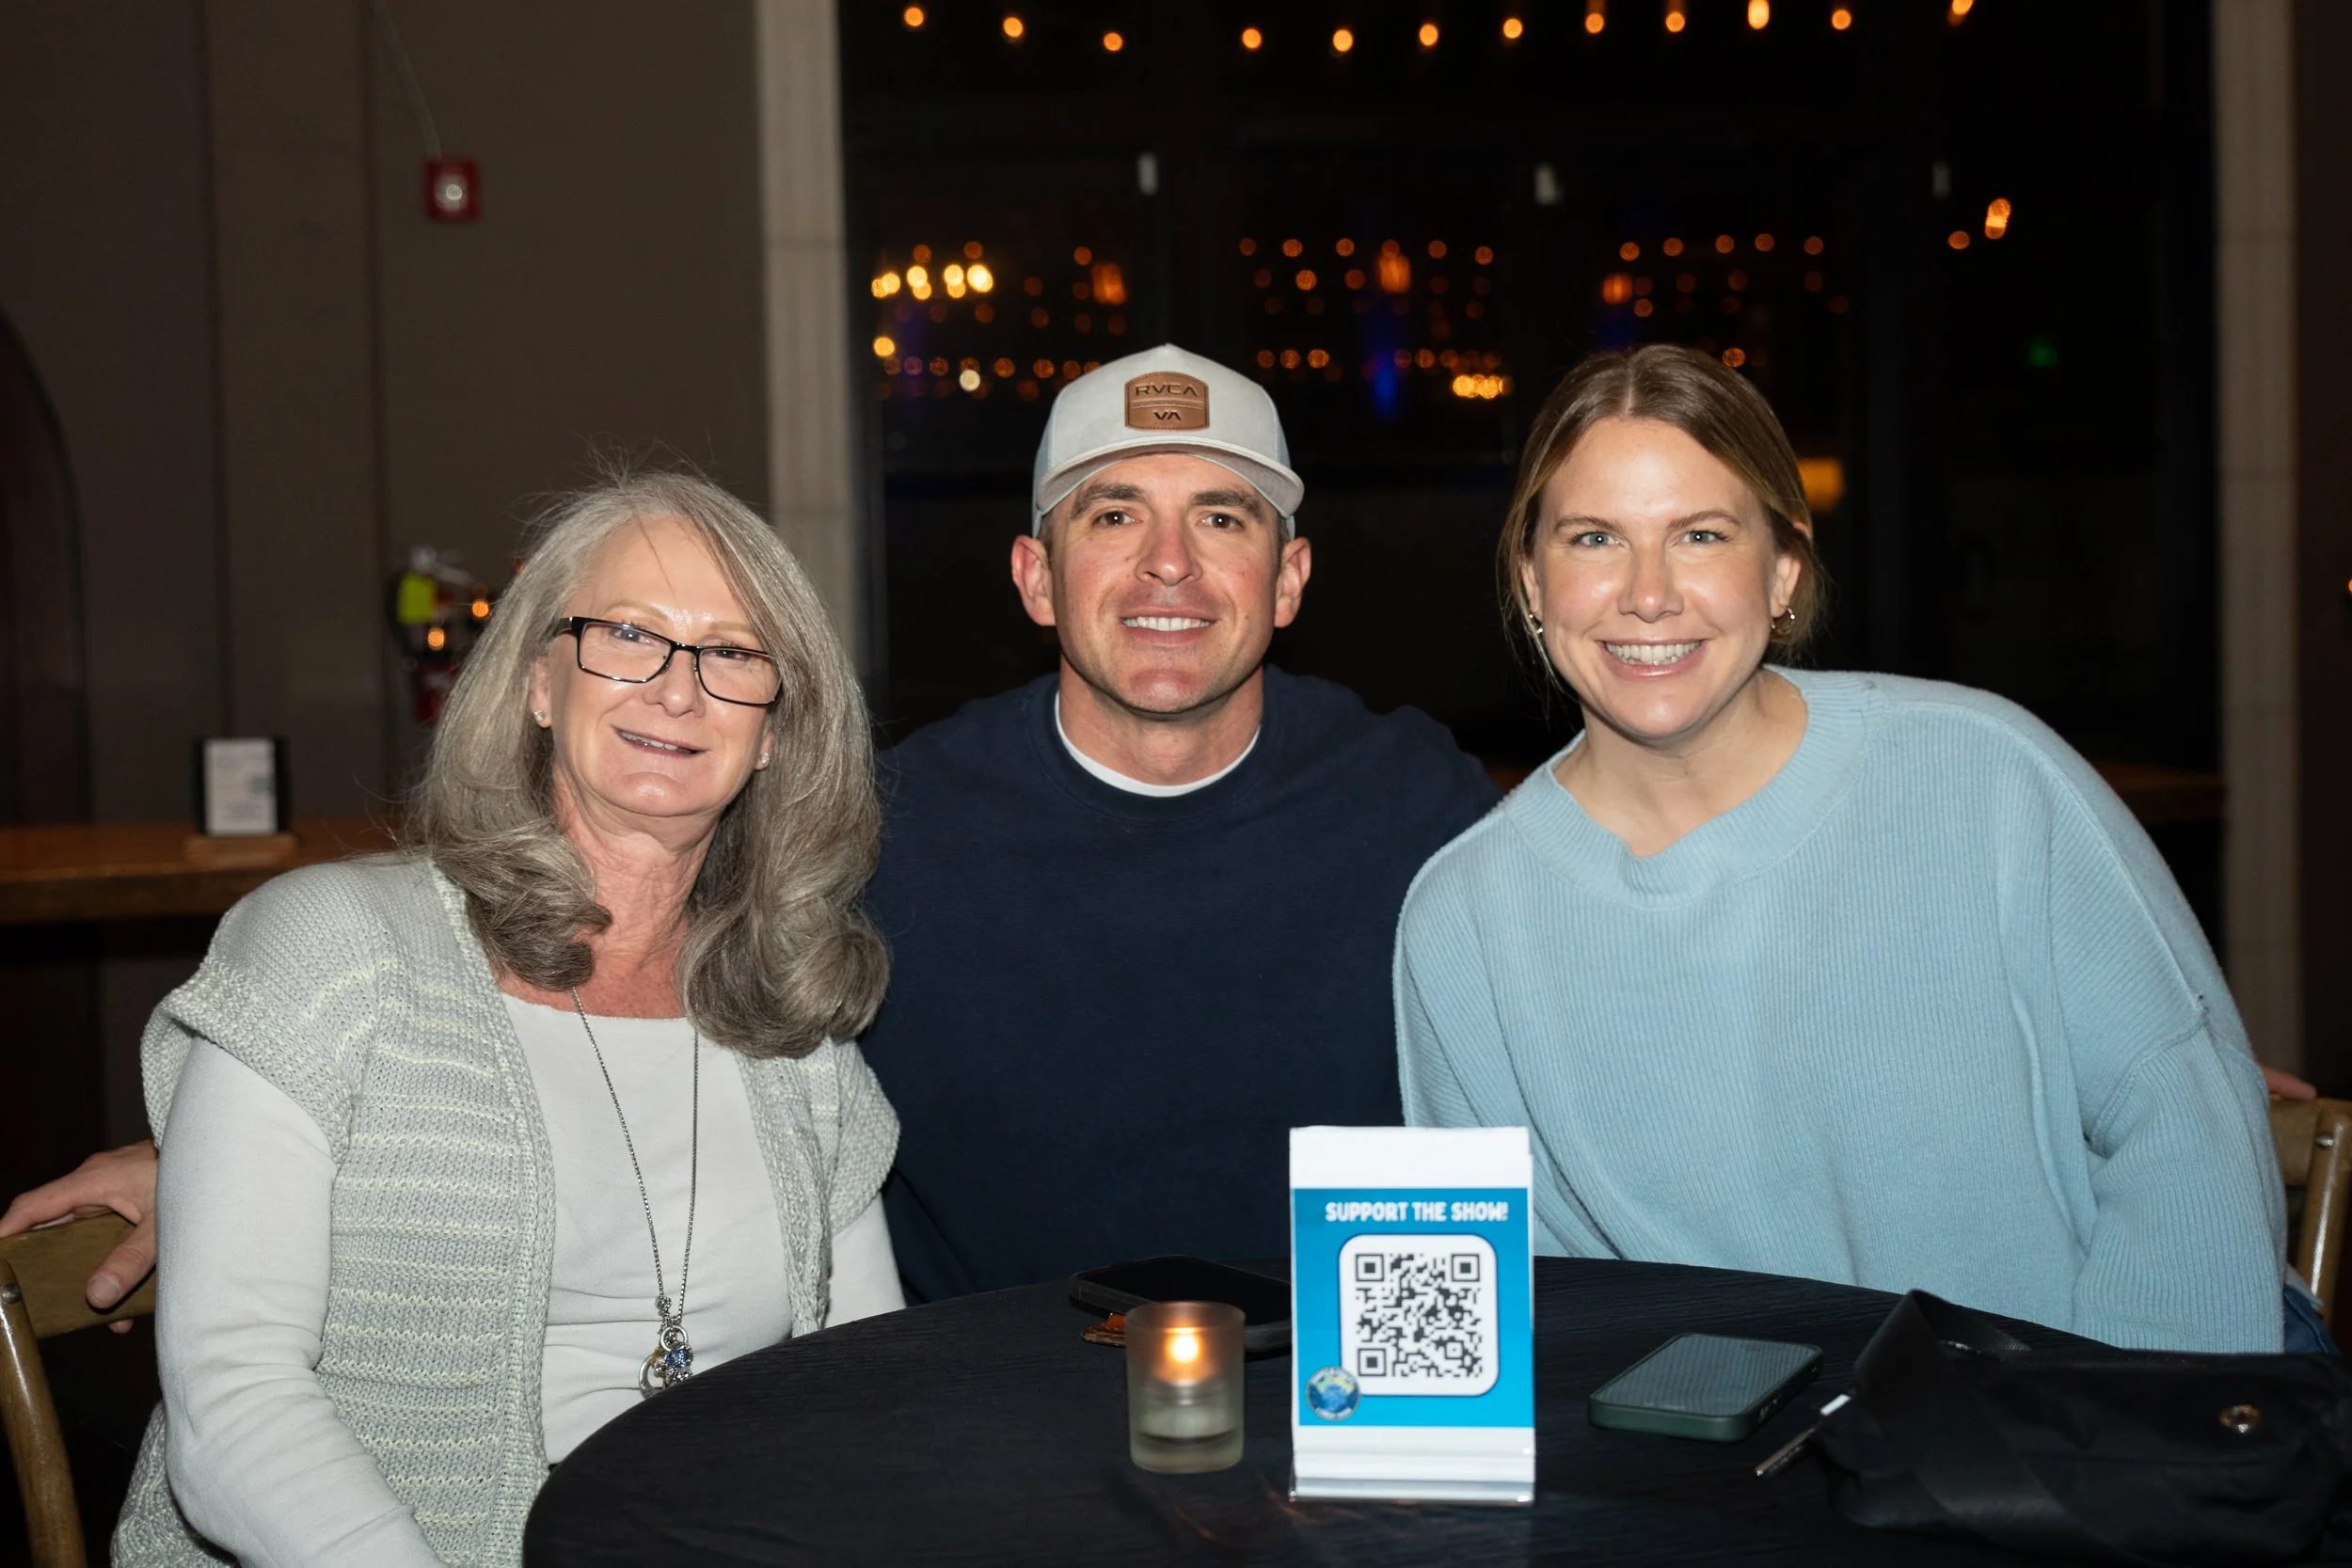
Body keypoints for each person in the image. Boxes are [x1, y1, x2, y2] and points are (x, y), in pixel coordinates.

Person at [1394, 343, 2292, 1354]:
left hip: (2048, 1453)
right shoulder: (1466, 915)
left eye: (1699, 534)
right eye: (1594, 537)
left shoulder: (1985, 779)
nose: (1647, 594)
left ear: (1782, 567)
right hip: (1698, 1476)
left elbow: (2184, 1130)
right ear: (1530, 578)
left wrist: (2122, 1458)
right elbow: (1522, 1304)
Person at [104, 471, 901, 1566]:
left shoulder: (794, 1018)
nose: (679, 690)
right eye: (628, 632)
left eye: (732, 652)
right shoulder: (329, 947)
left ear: (772, 730)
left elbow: (866, 1394)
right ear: (539, 681)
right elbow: (233, 1404)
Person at [862, 344, 1500, 1298]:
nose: (1169, 562)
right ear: (1037, 577)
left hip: (1327, 1401)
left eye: (1220, 516)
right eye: (1115, 515)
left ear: (1288, 577)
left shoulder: (1418, 804)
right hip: (988, 1411)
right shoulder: (890, 835)